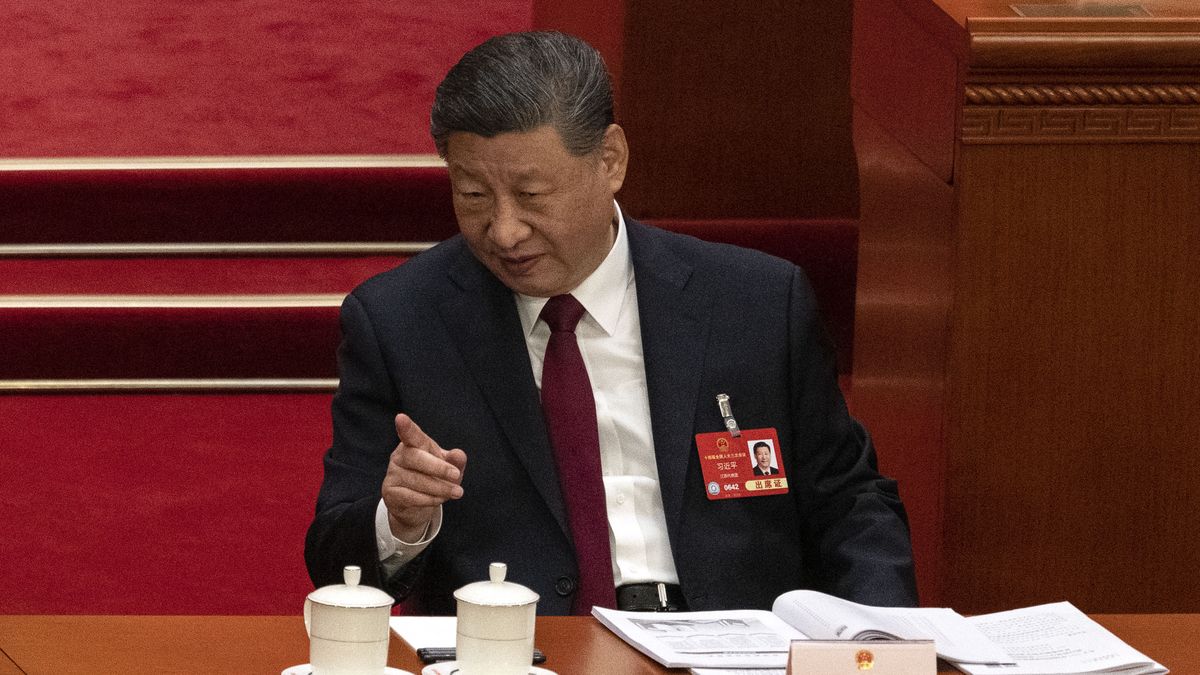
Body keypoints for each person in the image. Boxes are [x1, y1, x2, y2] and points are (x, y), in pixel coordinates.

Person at [305, 30, 917, 615]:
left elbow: (850, 502)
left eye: (533, 196)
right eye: (473, 196)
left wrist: (877, 638)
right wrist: (400, 520)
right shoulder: (401, 321)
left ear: (610, 160)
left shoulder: (756, 302)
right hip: (522, 652)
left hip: (729, 645)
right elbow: (334, 557)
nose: (505, 230)